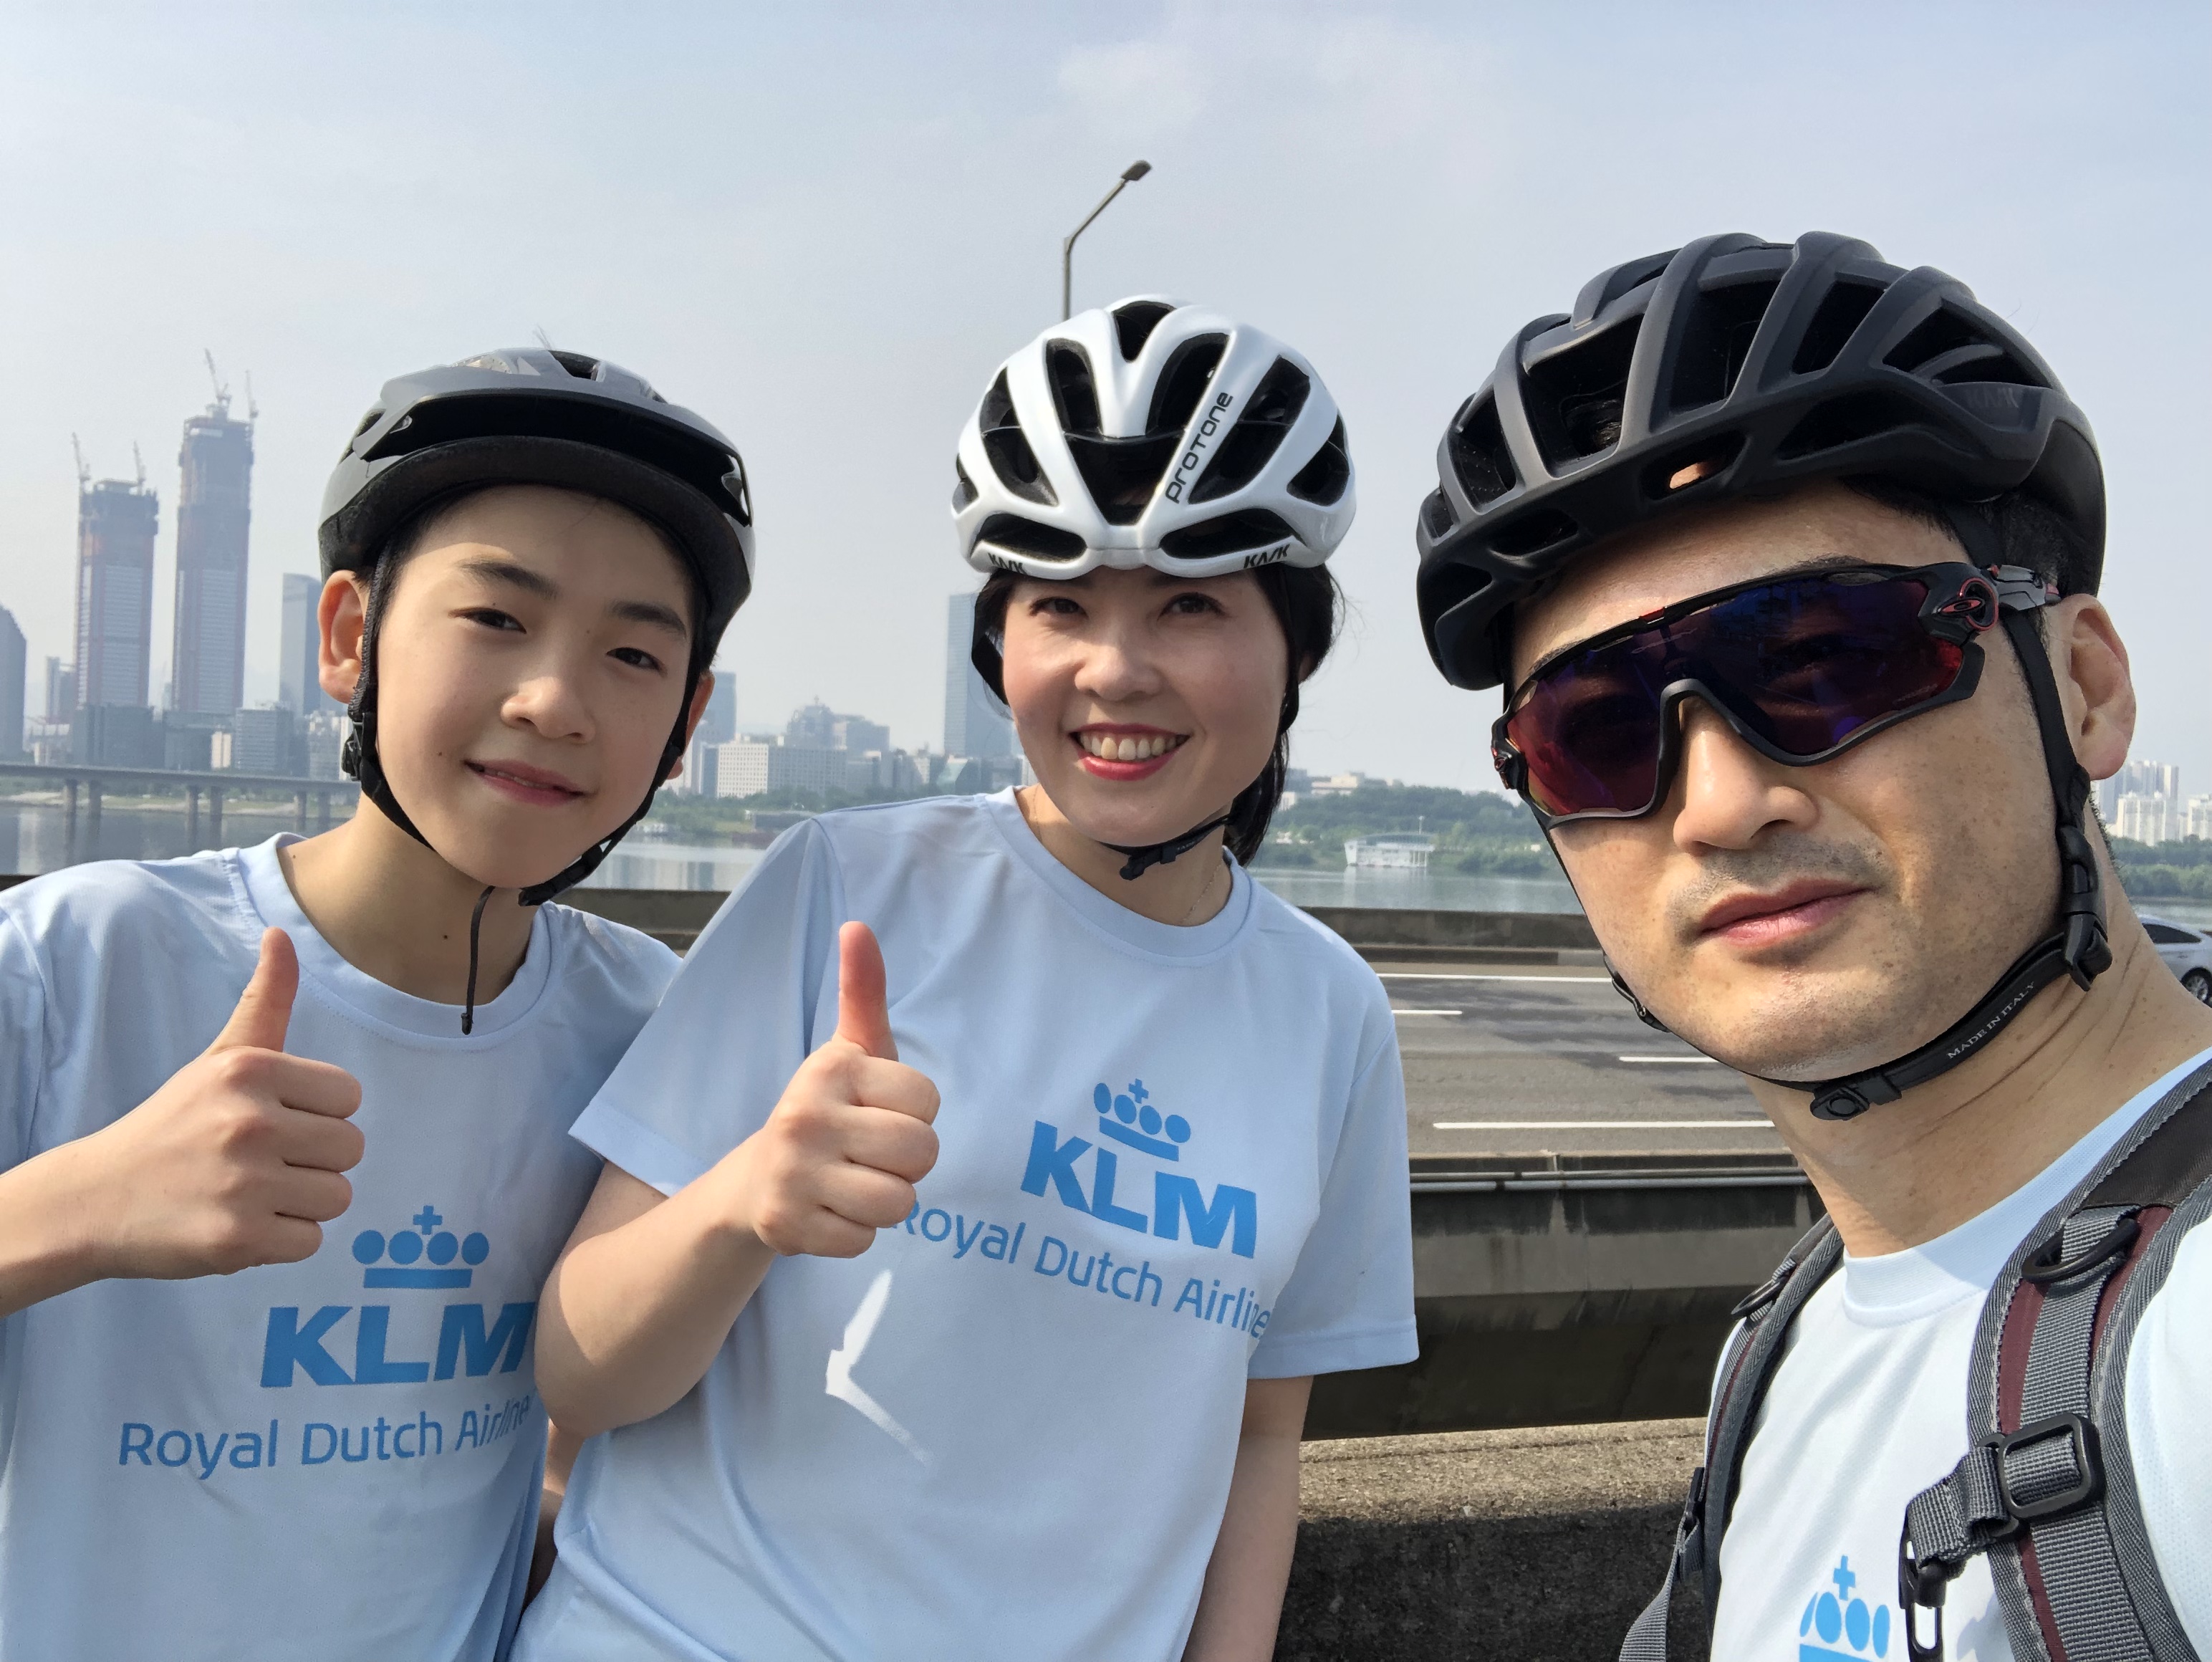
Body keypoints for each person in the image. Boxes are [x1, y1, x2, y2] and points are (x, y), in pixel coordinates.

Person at [514, 298, 1415, 1662]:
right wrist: (747, 1203)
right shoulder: (846, 886)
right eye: (1061, 605)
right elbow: (577, 1374)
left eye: (1190, 604)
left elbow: (1258, 1438)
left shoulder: (1331, 1014)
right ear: (1000, 643)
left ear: (1297, 646)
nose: (1116, 670)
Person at [1413, 232, 2212, 1660]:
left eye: (1828, 659)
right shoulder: (1781, 1347)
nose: (1721, 805)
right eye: (1597, 733)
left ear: (2084, 687)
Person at [0, 347, 756, 1661]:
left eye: (634, 653)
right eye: (496, 618)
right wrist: (76, 1208)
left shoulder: (653, 1024)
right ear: (350, 636)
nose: (555, 701)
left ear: (686, 723)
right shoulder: (83, 960)